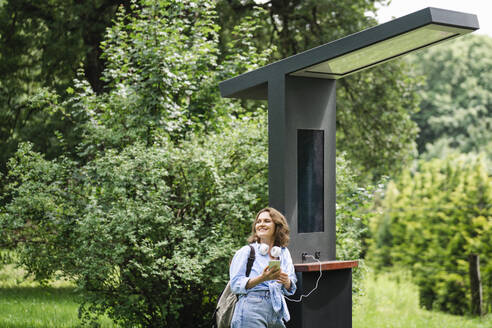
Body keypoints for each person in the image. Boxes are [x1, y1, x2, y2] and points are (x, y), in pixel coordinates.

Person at [229, 207, 297, 328]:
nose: (261, 224)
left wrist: (287, 282)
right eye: (258, 221)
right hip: (251, 309)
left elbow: (291, 286)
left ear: (277, 226)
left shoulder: (283, 252)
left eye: (266, 221)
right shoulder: (246, 252)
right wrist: (262, 278)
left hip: (276, 311)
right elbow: (235, 285)